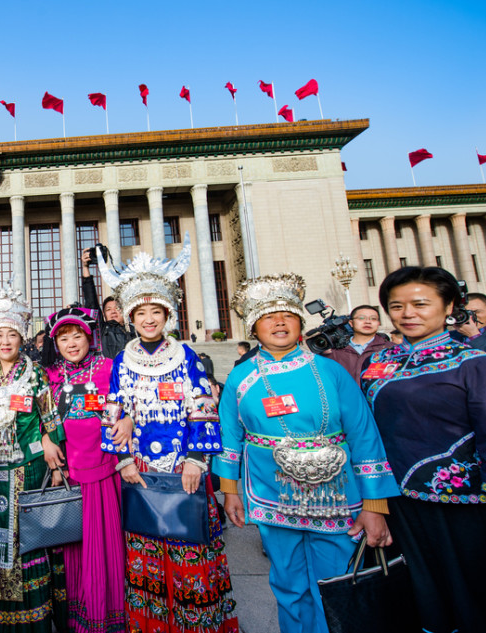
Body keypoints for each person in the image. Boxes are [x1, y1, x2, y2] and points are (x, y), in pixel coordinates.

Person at [212, 273, 399, 633]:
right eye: (268, 317)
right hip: (273, 493)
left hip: (336, 494)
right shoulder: (242, 377)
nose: (278, 322)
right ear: (254, 326)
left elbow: (363, 435)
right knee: (287, 582)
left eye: (287, 315)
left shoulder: (330, 370)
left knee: (338, 580)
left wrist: (375, 506)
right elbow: (230, 436)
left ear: (300, 321)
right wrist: (230, 490)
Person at [362, 266, 486, 632]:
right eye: (396, 306)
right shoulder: (378, 364)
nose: (407, 313)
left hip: (465, 508)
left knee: (473, 602)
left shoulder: (476, 364)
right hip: (398, 505)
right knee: (417, 601)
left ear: (449, 307)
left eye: (420, 304)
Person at [102, 241, 239, 633]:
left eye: (155, 312)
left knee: (190, 543)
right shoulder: (121, 361)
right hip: (141, 467)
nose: (148, 319)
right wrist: (124, 460)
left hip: (184, 467)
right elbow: (113, 411)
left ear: (168, 314)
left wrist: (197, 459)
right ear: (130, 316)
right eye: (141, 312)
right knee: (146, 546)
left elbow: (203, 409)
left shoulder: (186, 357)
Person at [0, 286, 67, 632]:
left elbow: (51, 421)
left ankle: (33, 622)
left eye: (11, 334)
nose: (4, 341)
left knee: (27, 545)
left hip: (27, 472)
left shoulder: (35, 375)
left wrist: (53, 456)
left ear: (21, 337)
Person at [41, 307, 125, 633]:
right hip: (68, 474)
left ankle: (109, 616)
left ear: (89, 337)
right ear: (55, 343)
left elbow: (123, 409)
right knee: (74, 550)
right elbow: (43, 419)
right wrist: (47, 439)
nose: (72, 343)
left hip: (105, 470)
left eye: (77, 335)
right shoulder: (49, 377)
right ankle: (80, 619)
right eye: (64, 338)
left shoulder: (109, 367)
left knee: (105, 547)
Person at [321, 305, 394, 382]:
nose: (368, 322)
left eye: (373, 319)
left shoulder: (391, 349)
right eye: (361, 318)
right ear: (351, 323)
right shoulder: (334, 351)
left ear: (378, 323)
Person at [83, 247, 134, 358]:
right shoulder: (101, 330)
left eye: (117, 308)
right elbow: (91, 301)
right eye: (108, 309)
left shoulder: (135, 331)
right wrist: (85, 268)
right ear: (104, 314)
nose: (113, 312)